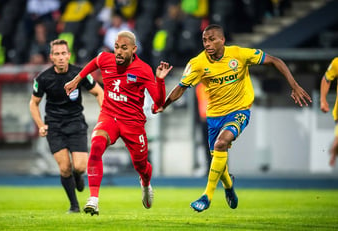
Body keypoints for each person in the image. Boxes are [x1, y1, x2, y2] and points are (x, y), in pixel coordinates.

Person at [156, 24, 312, 213]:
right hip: (214, 116)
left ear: (222, 40)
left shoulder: (239, 54)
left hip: (239, 110)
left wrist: (294, 86)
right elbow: (181, 87)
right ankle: (229, 187)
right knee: (218, 162)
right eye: (204, 40)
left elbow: (275, 61)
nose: (207, 43)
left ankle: (207, 196)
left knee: (221, 144)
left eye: (212, 39)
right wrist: (164, 105)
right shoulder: (197, 63)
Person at [64, 31, 172, 215]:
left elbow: (159, 102)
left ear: (133, 49)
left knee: (141, 166)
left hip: (133, 123)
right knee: (96, 145)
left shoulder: (143, 70)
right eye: (116, 47)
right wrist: (76, 80)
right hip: (110, 116)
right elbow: (95, 62)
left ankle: (145, 183)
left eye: (124, 48)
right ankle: (94, 199)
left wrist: (160, 80)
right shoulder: (106, 59)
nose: (119, 52)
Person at [29, 39, 104, 213]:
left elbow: (99, 92)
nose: (61, 57)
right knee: (64, 168)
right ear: (51, 57)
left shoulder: (80, 74)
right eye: (57, 54)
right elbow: (33, 103)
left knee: (79, 167)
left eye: (64, 53)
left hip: (76, 123)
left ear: (69, 55)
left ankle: (78, 177)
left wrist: (104, 117)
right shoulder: (43, 78)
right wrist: (40, 125)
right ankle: (74, 206)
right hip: (54, 126)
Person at [319, 57, 338, 166]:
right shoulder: (337, 63)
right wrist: (323, 100)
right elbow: (326, 79)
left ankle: (333, 152)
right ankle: (334, 152)